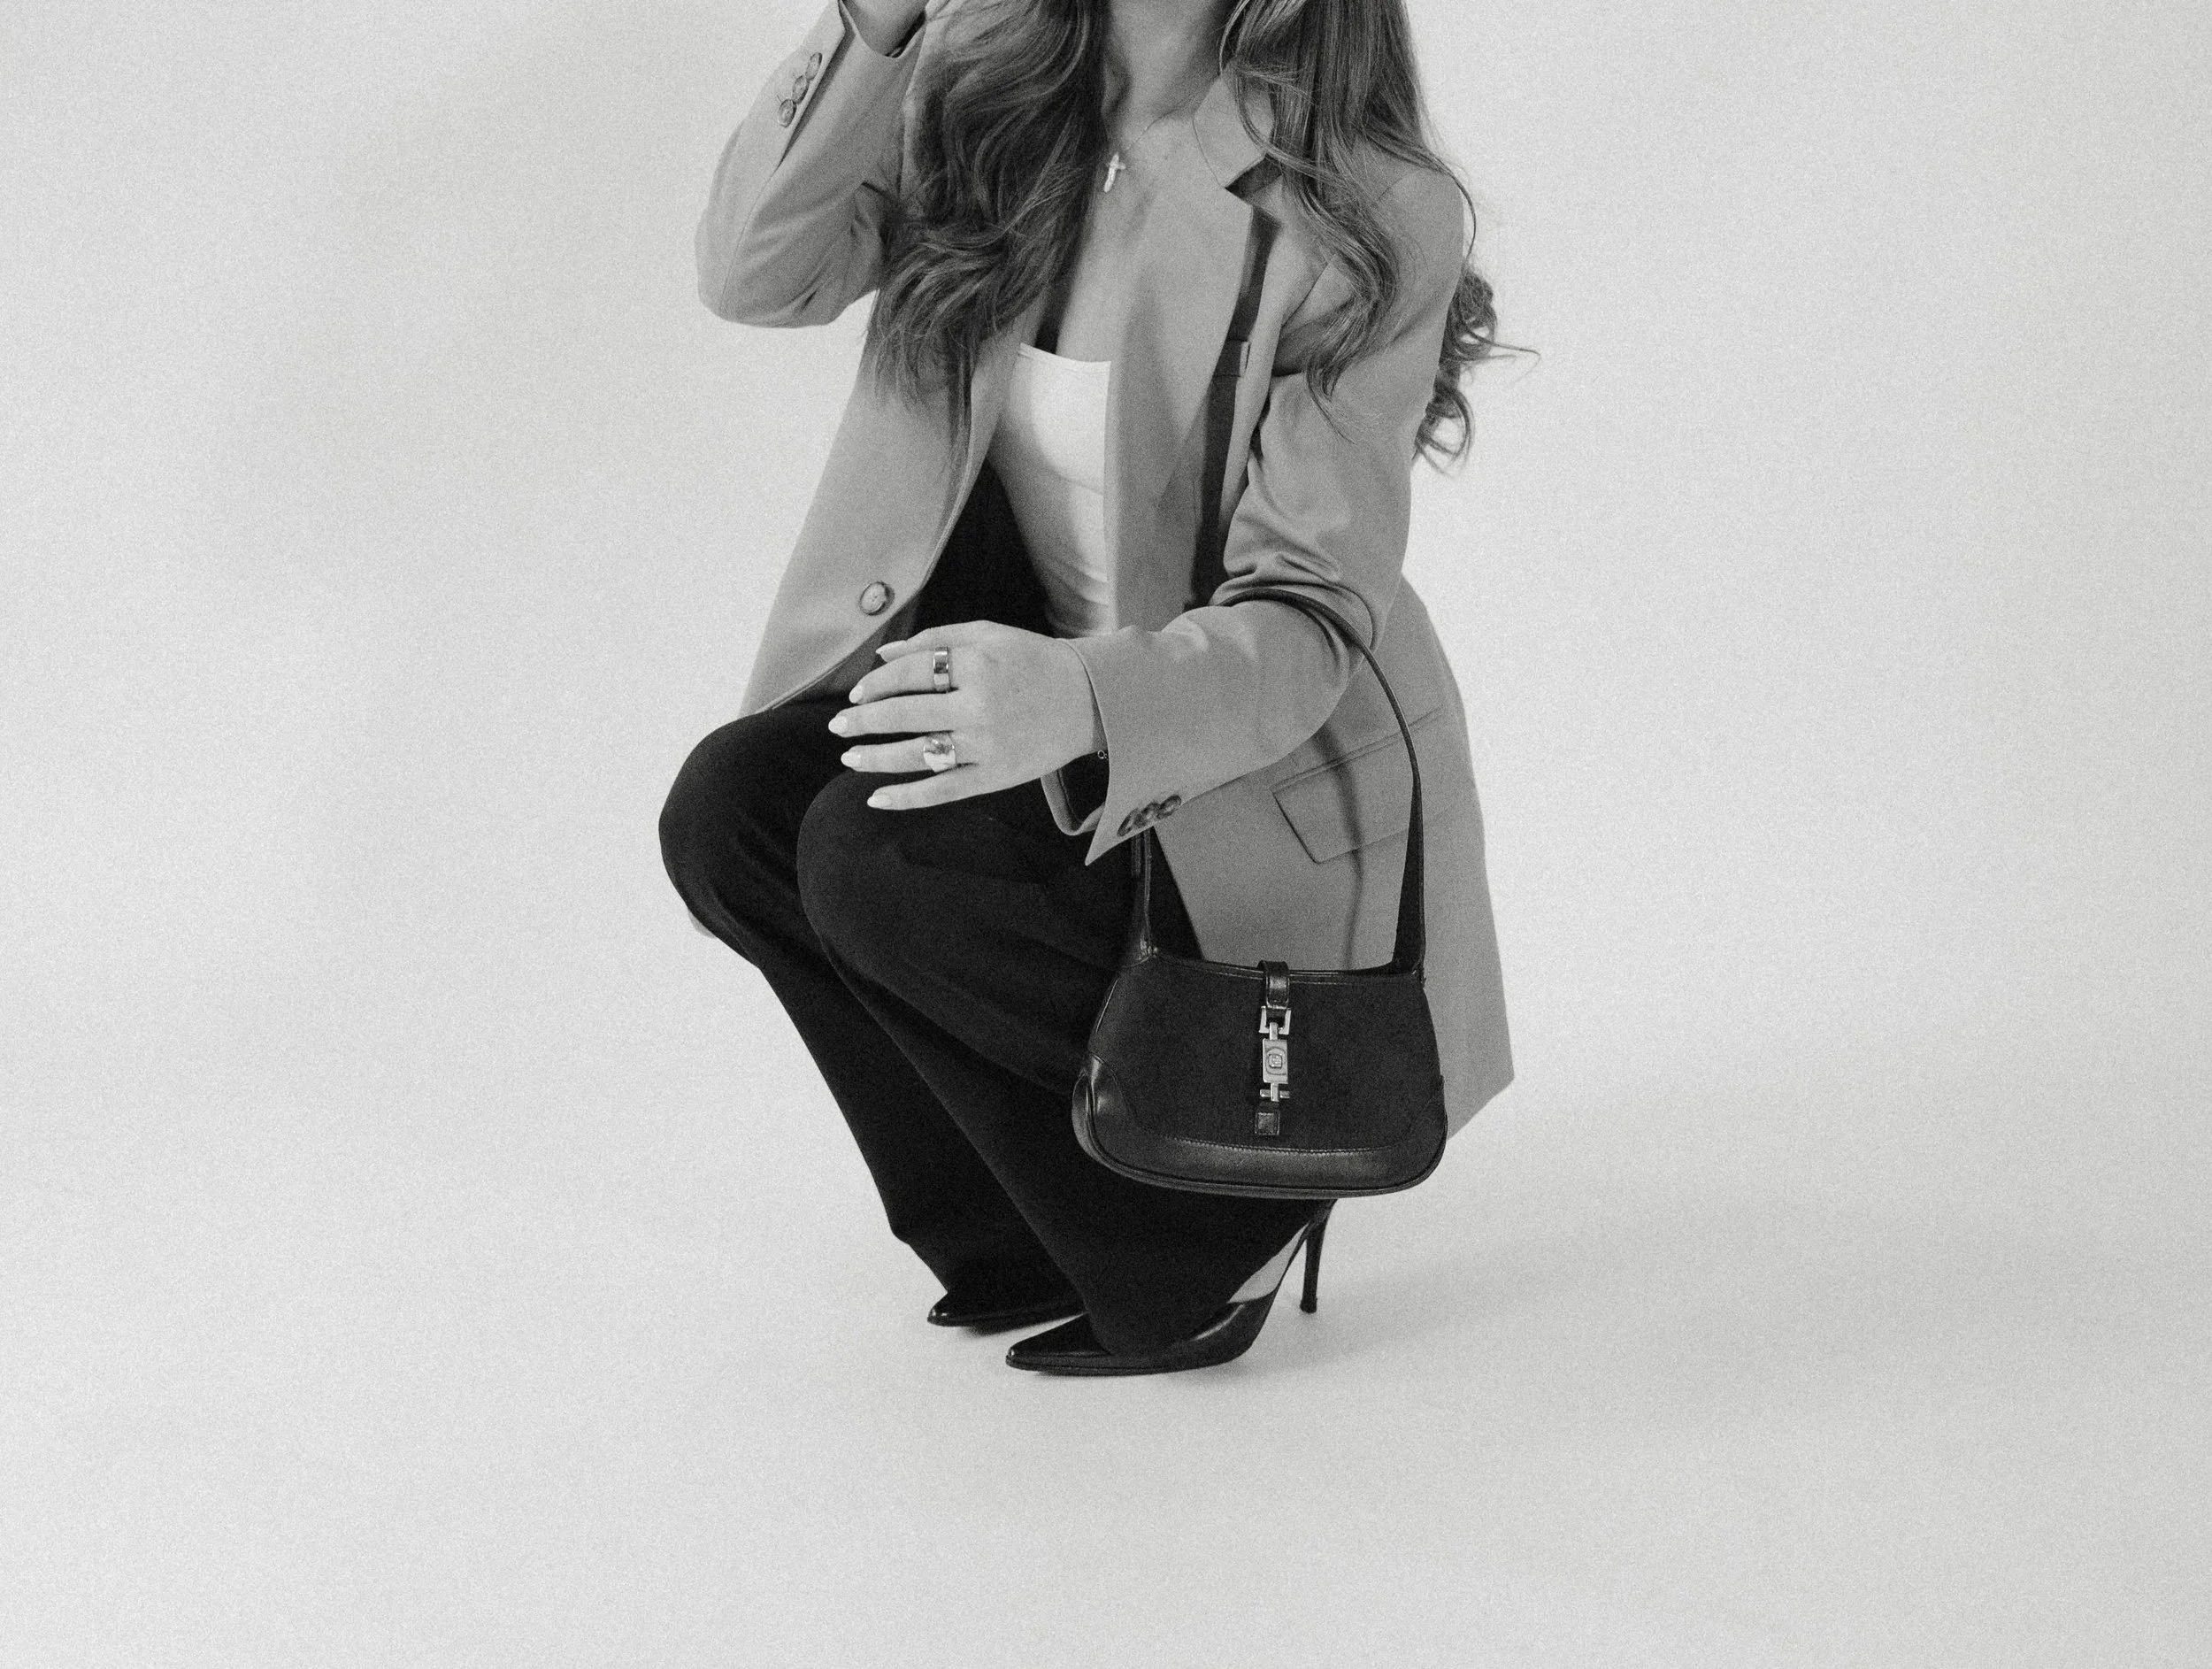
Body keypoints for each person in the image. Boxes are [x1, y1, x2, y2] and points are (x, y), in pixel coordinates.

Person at [659, 0, 1516, 1375]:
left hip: (1236, 768)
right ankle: (1009, 1228)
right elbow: (755, 268)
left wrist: (1079, 703)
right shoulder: (985, 95)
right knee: (736, 815)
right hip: (1022, 687)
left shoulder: (1366, 209)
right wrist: (875, 22)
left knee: (866, 853)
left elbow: (1307, 619)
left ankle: (1204, 1244)